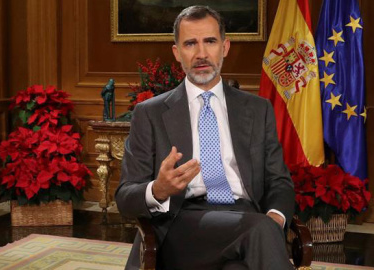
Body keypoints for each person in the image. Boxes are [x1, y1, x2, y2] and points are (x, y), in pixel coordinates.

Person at [115, 6, 295, 270]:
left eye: (210, 41)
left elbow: (279, 180)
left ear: (225, 46)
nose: (201, 54)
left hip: (246, 217)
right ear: (177, 52)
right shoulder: (150, 113)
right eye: (190, 43)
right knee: (261, 230)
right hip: (182, 224)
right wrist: (158, 189)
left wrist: (276, 217)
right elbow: (125, 197)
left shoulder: (257, 109)